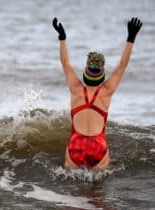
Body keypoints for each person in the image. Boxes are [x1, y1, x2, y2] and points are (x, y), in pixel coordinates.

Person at [52, 17, 142, 170]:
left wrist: (62, 37)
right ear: (102, 75)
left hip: (76, 146)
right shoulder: (106, 92)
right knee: (99, 190)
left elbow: (65, 62)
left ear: (85, 72)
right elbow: (122, 65)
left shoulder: (76, 88)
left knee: (71, 188)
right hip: (98, 147)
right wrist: (131, 37)